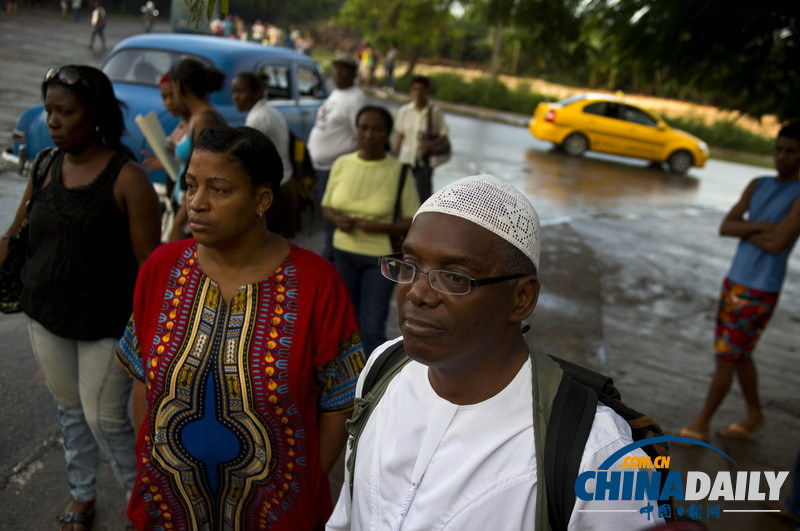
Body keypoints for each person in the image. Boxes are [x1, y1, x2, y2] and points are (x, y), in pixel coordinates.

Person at [326, 175, 665, 530]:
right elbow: (347, 517)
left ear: (521, 298)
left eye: (454, 277)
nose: (417, 293)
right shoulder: (383, 369)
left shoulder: (596, 454)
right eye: (409, 265)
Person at [116, 126, 366, 530]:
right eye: (190, 185)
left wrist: (301, 482)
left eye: (218, 190)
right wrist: (150, 461)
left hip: (275, 513)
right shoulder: (161, 269)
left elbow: (339, 399)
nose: (195, 203)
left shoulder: (317, 283)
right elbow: (144, 379)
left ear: (261, 199)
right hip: (168, 507)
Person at [0, 65, 161, 531]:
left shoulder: (127, 178)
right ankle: (81, 495)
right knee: (70, 412)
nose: (52, 120)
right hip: (45, 315)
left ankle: (139, 504)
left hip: (107, 324)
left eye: (64, 111)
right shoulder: (47, 164)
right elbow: (15, 234)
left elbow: (148, 268)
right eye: (49, 109)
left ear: (94, 115)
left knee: (106, 419)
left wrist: (152, 340)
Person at [678, 121, 800, 442]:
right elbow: (726, 226)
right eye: (778, 149)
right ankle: (755, 415)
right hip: (735, 282)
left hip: (760, 290)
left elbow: (778, 244)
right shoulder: (758, 184)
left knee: (727, 356)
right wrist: (763, 227)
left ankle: (701, 424)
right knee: (739, 353)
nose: (781, 157)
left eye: (790, 151)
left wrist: (748, 227)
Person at [321, 105, 420, 356]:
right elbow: (326, 206)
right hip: (341, 254)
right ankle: (342, 381)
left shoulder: (399, 172)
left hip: (379, 261)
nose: (368, 134)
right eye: (363, 127)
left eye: (376, 129)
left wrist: (381, 227)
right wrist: (337, 220)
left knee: (371, 327)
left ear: (387, 133)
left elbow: (414, 219)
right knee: (342, 323)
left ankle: (373, 385)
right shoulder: (342, 164)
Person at [307, 54, 366, 259]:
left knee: (333, 220)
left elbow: (362, 137)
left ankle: (330, 263)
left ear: (353, 74)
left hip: (336, 169)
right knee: (325, 217)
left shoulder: (356, 99)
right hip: (321, 167)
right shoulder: (336, 94)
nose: (338, 74)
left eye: (344, 70)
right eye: (336, 69)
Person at [165, 58, 227, 242]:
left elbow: (202, 178)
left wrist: (177, 224)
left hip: (192, 214)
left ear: (177, 85)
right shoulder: (197, 117)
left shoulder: (203, 120)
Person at [393, 75, 450, 202]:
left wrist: (429, 145)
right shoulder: (405, 111)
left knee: (423, 192)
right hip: (406, 157)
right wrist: (395, 158)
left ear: (427, 91)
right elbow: (401, 135)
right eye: (415, 89)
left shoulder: (434, 112)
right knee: (400, 190)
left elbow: (443, 134)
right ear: (411, 91)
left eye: (421, 89)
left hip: (424, 159)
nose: (418, 93)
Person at [231, 72, 292, 185]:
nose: (236, 97)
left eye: (241, 91)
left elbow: (247, 157)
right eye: (234, 92)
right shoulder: (270, 111)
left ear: (257, 92)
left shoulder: (258, 118)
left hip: (276, 183)